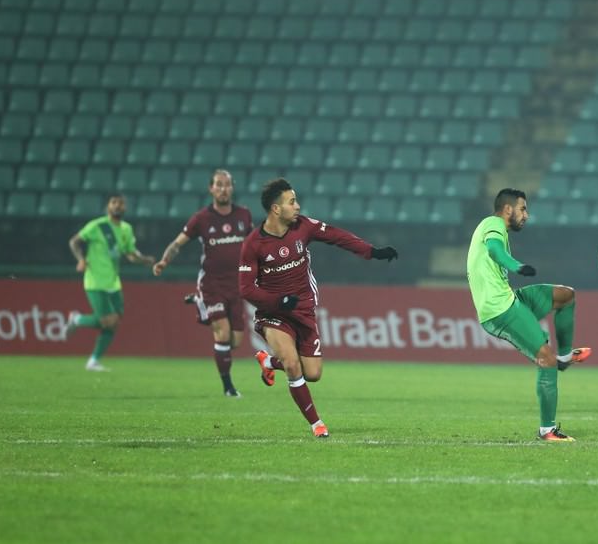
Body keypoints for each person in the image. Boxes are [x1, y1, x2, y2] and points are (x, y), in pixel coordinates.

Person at [239, 178, 398, 439]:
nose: (298, 206)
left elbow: (337, 236)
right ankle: (317, 425)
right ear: (276, 209)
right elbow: (246, 289)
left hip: (303, 310)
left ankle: (268, 361)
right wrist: (278, 302)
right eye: (292, 202)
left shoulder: (303, 227)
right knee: (293, 365)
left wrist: (372, 252)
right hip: (274, 313)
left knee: (312, 373)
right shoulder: (254, 244)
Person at [466, 188, 591, 442]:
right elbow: (494, 251)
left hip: (510, 298)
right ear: (507, 209)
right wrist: (517, 266)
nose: (527, 215)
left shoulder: (496, 228)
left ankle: (564, 356)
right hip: (499, 309)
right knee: (546, 358)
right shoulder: (493, 224)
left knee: (565, 295)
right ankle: (548, 430)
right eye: (523, 209)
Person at [153, 169, 253, 397]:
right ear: (211, 188)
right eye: (219, 184)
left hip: (236, 284)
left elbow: (253, 243)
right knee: (222, 333)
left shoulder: (244, 215)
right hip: (212, 284)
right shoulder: (201, 218)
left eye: (227, 184)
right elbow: (177, 243)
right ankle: (228, 388)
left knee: (235, 341)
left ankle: (199, 303)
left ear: (232, 188)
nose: (223, 189)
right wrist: (164, 261)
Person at [65, 193, 156, 371]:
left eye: (121, 203)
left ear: (125, 208)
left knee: (114, 322)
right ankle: (77, 319)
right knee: (107, 320)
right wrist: (81, 259)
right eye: (114, 202)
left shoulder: (127, 229)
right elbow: (74, 242)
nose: (117, 206)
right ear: (108, 206)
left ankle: (93, 361)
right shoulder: (96, 226)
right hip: (95, 281)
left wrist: (145, 260)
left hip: (114, 283)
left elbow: (130, 254)